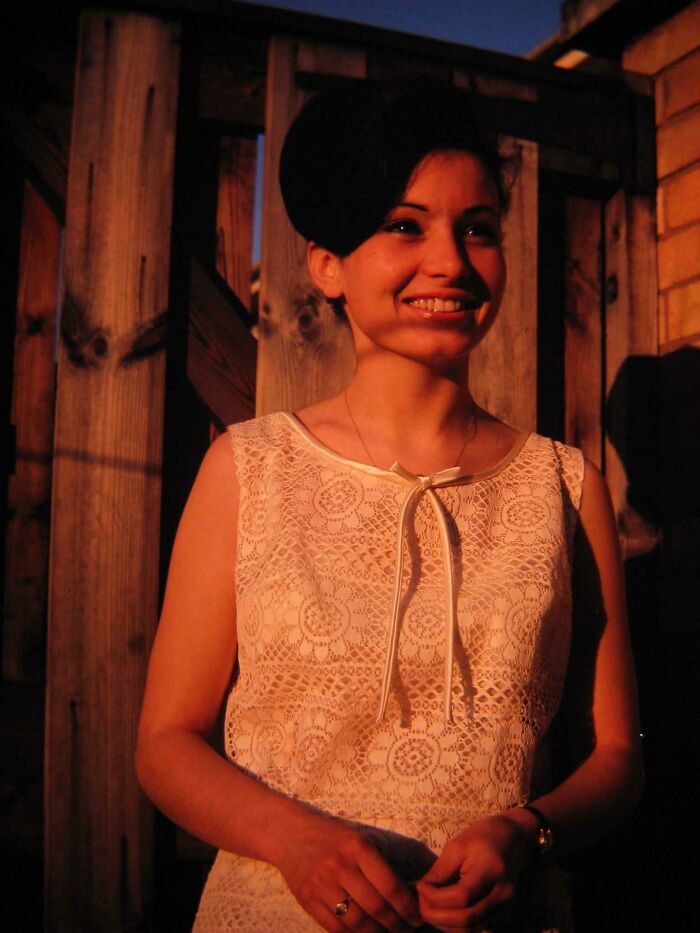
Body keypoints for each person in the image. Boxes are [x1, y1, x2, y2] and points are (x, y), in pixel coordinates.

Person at [136, 80, 643, 932]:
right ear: (327, 262)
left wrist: (529, 830)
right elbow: (165, 742)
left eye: (477, 228)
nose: (449, 260)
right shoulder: (248, 469)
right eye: (404, 226)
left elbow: (619, 754)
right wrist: (296, 843)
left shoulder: (565, 488)